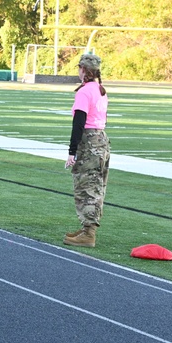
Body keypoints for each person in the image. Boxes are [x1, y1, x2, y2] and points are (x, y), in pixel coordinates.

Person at [63, 52, 110, 248]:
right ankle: (87, 228)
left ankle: (89, 233)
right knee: (97, 186)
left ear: (83, 69)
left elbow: (79, 122)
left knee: (86, 187)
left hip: (89, 142)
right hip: (101, 139)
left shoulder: (84, 92)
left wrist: (72, 150)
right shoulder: (100, 90)